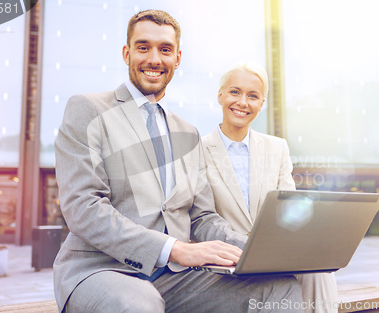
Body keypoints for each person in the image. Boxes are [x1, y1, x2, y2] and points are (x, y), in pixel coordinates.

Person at [53, 10, 304, 313]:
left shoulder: (187, 132)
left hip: (174, 278)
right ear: (126, 53)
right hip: (103, 270)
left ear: (178, 58)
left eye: (165, 49)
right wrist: (174, 249)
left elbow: (202, 218)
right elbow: (83, 207)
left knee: (279, 287)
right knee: (139, 305)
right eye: (143, 47)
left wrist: (258, 249)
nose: (154, 59)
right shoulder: (89, 109)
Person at [202, 62, 339, 313]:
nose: (243, 102)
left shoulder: (277, 148)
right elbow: (199, 217)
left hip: (275, 253)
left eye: (252, 96)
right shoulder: (197, 150)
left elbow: (290, 209)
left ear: (261, 103)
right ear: (220, 95)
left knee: (319, 270)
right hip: (226, 258)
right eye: (235, 92)